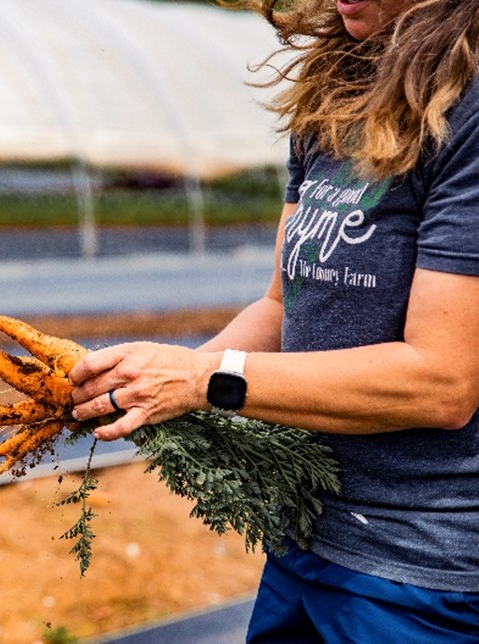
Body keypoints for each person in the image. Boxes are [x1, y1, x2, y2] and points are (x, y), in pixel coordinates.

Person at [68, 0, 479, 640]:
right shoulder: (338, 94)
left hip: (417, 571)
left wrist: (207, 380)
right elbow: (280, 308)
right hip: (305, 534)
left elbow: (444, 381)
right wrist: (153, 382)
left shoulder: (469, 111)